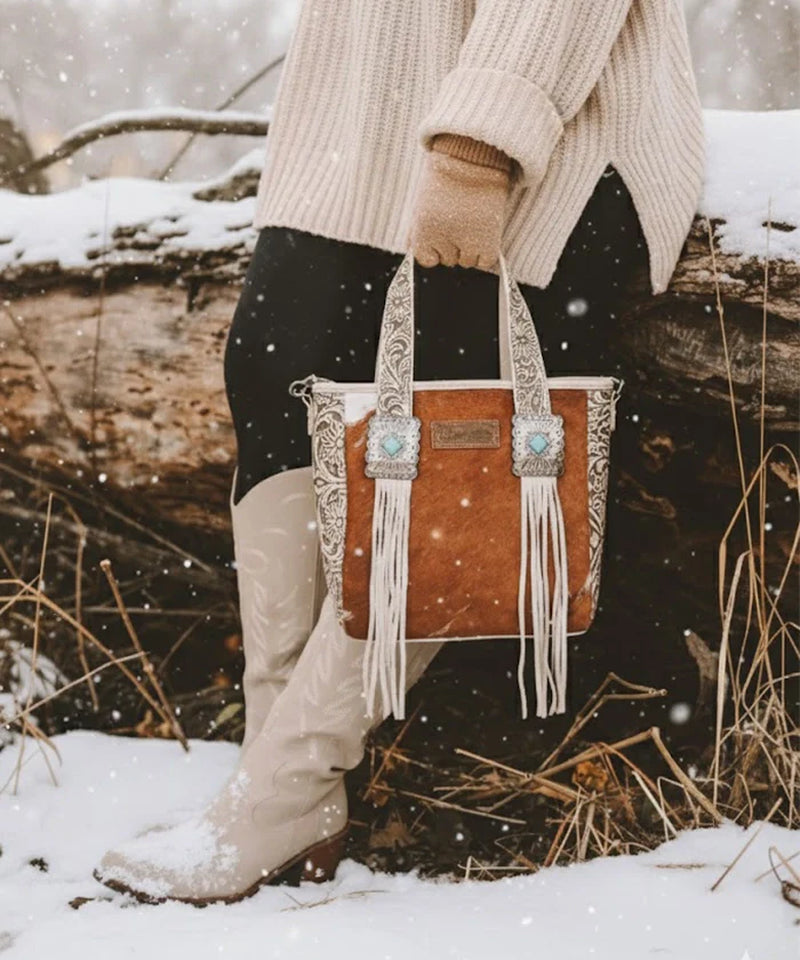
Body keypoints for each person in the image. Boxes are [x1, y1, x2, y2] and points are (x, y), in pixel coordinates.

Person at [95, 0, 704, 904]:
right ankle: (270, 771)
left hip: (544, 125)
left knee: (444, 428)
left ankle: (286, 787)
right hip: (356, 126)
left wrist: (478, 145)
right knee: (271, 373)